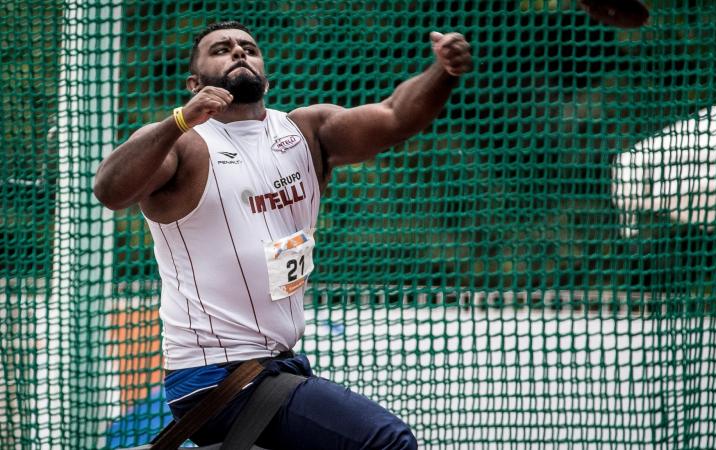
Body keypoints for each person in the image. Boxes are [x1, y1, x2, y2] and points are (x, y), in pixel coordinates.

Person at [93, 21, 471, 449]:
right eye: (221, 49)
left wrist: (443, 72)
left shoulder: (305, 134)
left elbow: (395, 116)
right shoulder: (184, 144)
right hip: (216, 380)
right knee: (387, 441)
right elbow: (110, 190)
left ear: (265, 76)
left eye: (248, 48)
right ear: (194, 82)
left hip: (279, 371)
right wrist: (179, 120)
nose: (238, 52)